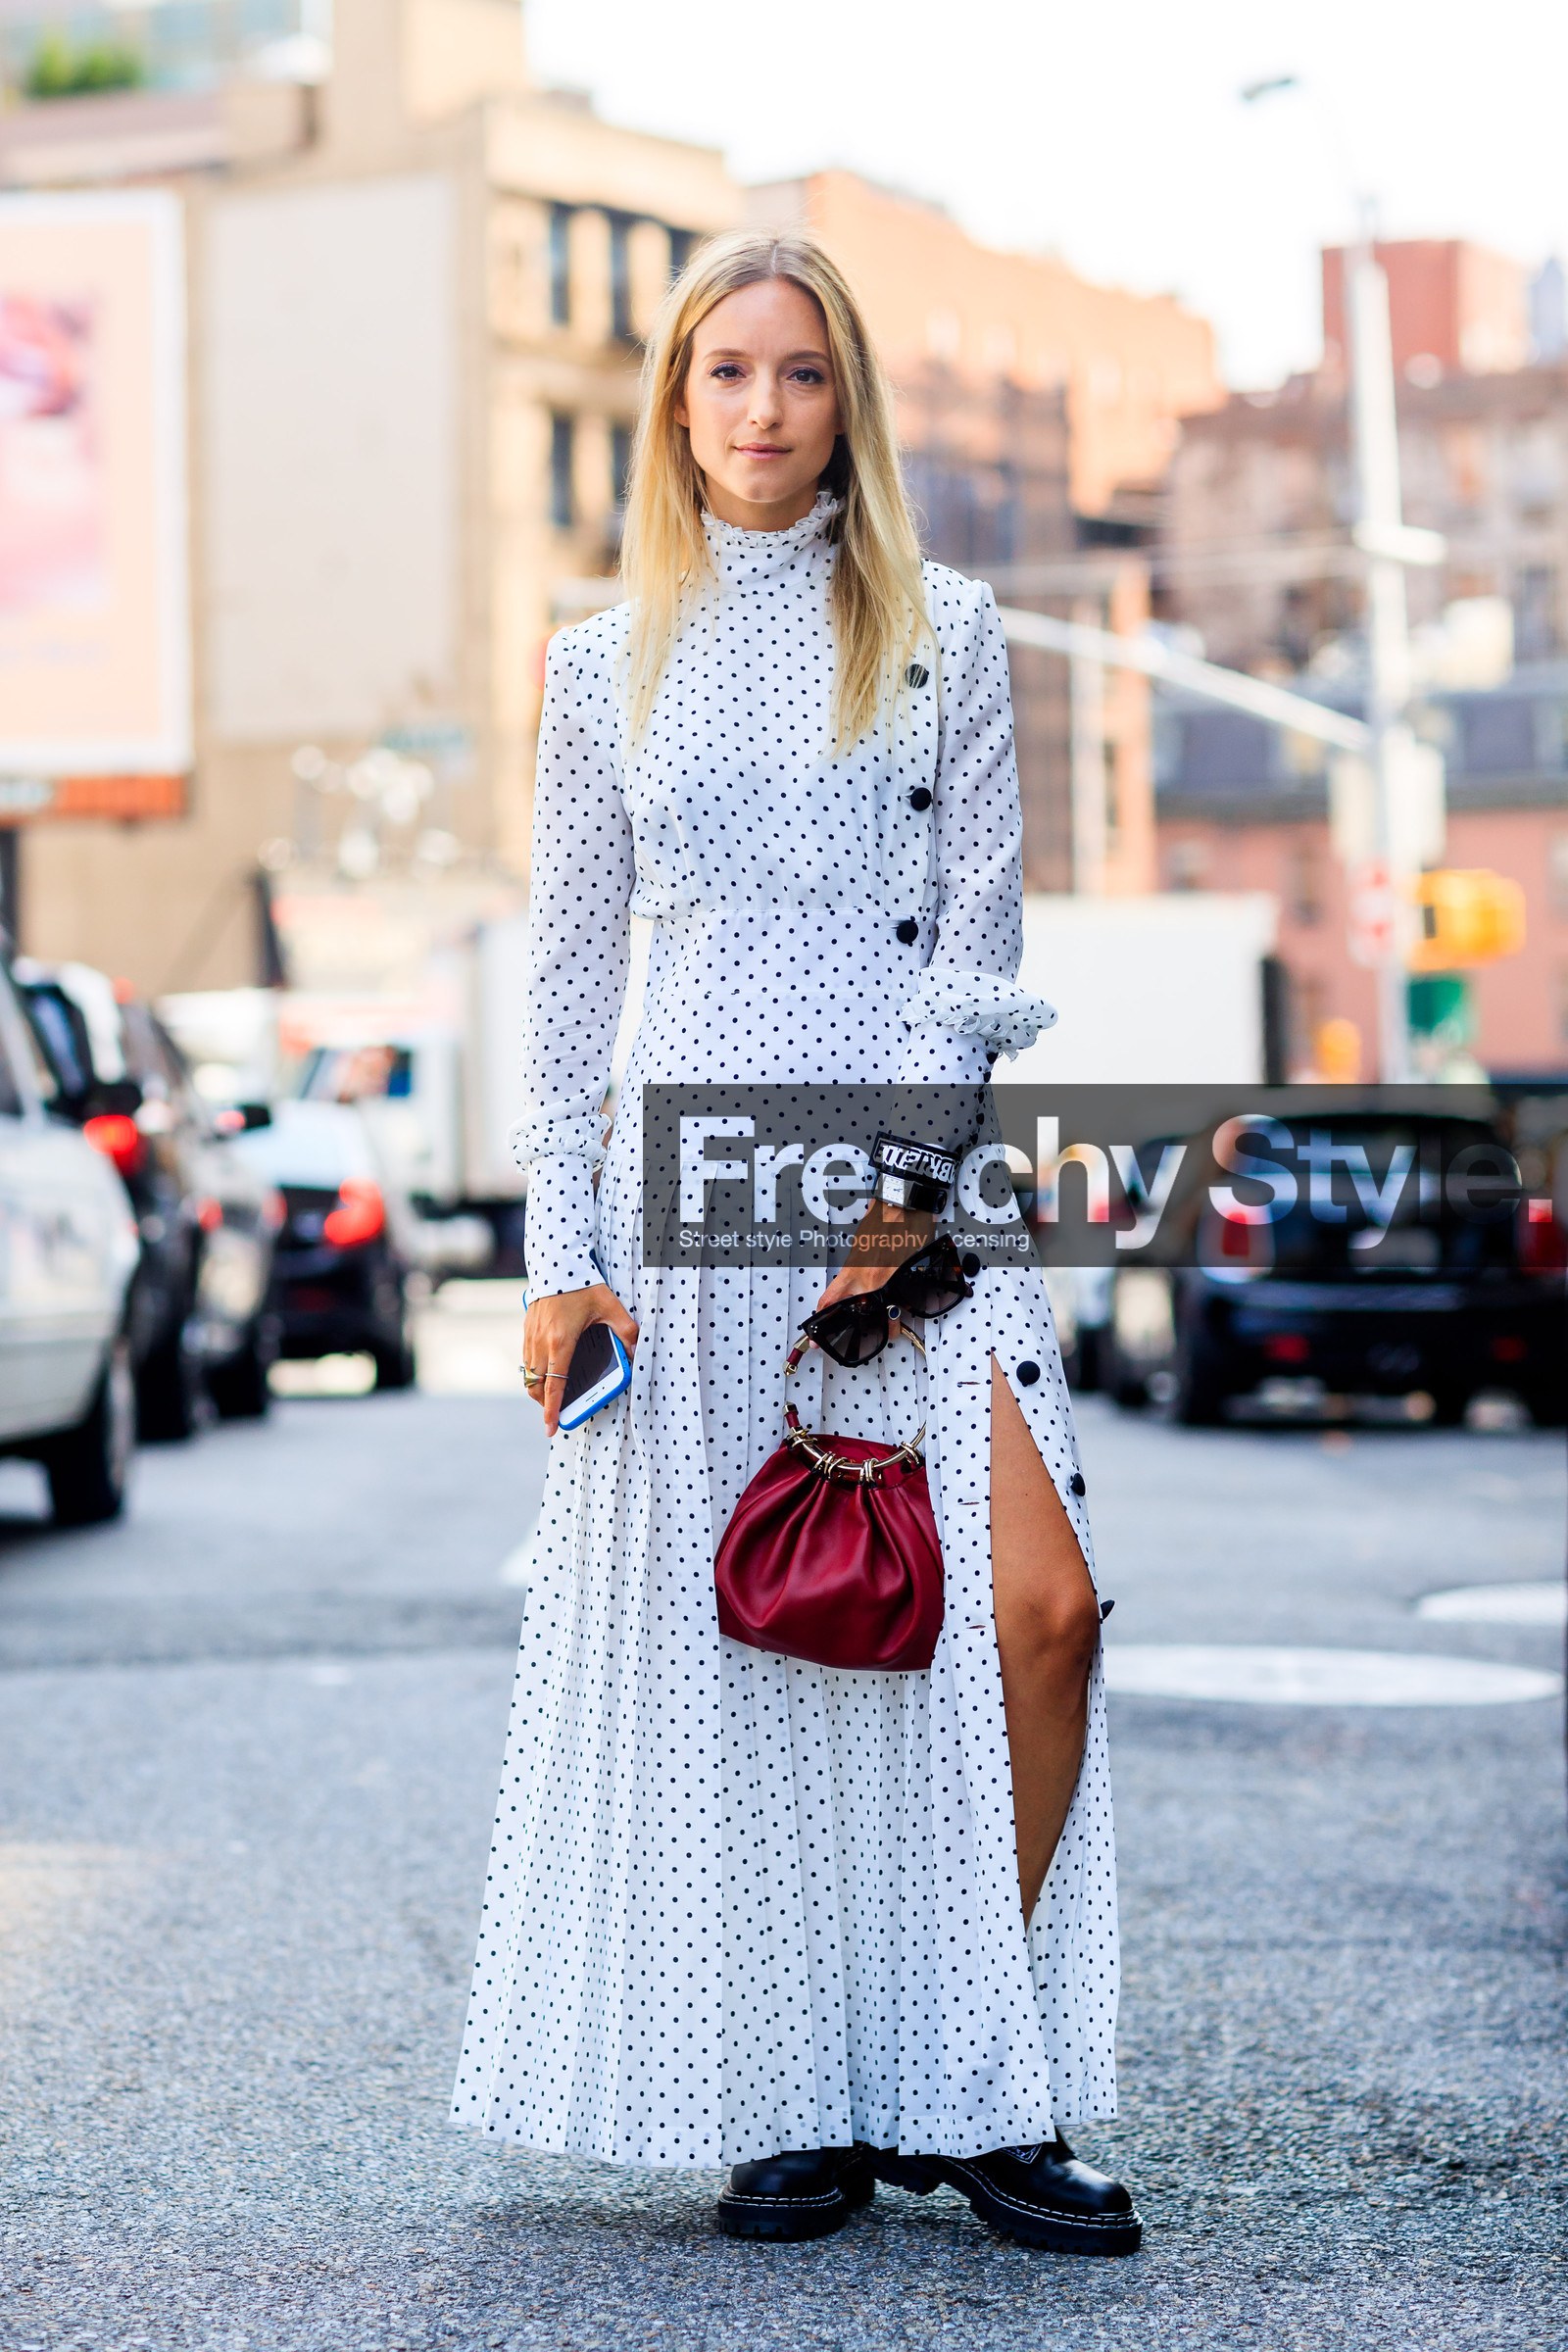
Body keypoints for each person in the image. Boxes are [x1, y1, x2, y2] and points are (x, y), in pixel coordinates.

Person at [452, 232, 1139, 2256]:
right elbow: (568, 984)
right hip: (682, 1208)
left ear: (850, 402)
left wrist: (906, 1191)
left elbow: (981, 937)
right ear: (675, 403)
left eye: (801, 373)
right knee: (756, 1654)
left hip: (908, 1192)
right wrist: (559, 1260)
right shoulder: (600, 660)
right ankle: (795, 2100)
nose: (761, 409)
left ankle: (974, 2082)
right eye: (726, 372)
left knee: (1036, 1615)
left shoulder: (945, 625)